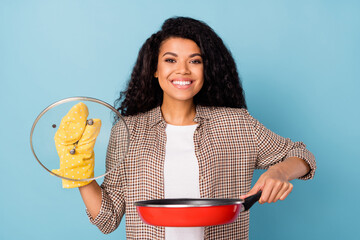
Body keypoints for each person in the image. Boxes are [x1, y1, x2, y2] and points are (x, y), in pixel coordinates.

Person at [67, 17, 316, 239]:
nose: (183, 70)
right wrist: (78, 171)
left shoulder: (237, 124)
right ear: (155, 69)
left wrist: (279, 173)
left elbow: (302, 155)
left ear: (206, 69)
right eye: (170, 60)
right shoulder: (127, 130)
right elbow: (108, 219)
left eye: (194, 61)